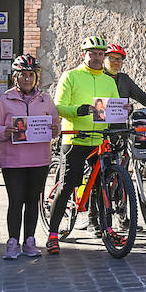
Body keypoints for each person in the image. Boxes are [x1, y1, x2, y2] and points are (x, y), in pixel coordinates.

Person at [47, 36, 121, 253]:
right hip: (75, 139)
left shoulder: (109, 81)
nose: (97, 58)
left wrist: (123, 112)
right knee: (68, 185)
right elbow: (58, 106)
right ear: (84, 55)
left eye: (100, 54)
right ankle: (53, 234)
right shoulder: (71, 76)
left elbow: (114, 107)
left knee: (103, 186)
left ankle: (106, 228)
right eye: (92, 53)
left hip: (99, 140)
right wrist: (77, 110)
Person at [0, 54, 60, 259]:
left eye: (30, 75)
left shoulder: (45, 99)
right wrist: (4, 131)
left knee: (32, 201)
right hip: (13, 160)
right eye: (22, 75)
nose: (27, 79)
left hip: (39, 159)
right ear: (15, 77)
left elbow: (55, 123)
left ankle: (29, 240)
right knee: (16, 200)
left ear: (36, 77)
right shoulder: (5, 99)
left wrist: (55, 130)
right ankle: (12, 242)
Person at [102, 43, 146, 111]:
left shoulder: (124, 79)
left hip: (120, 120)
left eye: (119, 59)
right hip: (98, 121)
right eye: (111, 58)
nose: (116, 62)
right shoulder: (97, 77)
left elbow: (141, 96)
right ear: (103, 59)